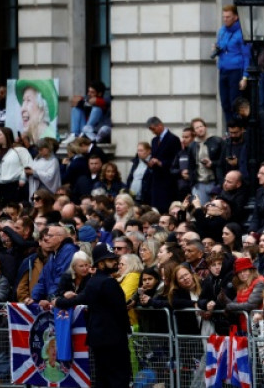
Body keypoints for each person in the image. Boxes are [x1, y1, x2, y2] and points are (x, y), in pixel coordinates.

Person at [56, 243, 132, 388]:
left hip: (98, 338)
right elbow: (120, 310)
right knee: (118, 378)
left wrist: (59, 301)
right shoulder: (108, 282)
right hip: (114, 339)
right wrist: (126, 330)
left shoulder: (93, 281)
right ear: (101, 263)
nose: (115, 262)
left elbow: (81, 299)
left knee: (102, 378)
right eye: (110, 260)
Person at [213, 4, 250, 127]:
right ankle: (230, 130)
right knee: (225, 103)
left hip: (236, 70)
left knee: (235, 103)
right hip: (223, 70)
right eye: (224, 17)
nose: (225, 19)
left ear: (235, 17)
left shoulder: (241, 32)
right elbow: (220, 46)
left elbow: (246, 56)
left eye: (228, 17)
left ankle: (238, 128)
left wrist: (245, 77)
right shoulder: (222, 31)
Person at [146, 117, 181, 212]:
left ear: (160, 125)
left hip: (168, 180)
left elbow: (176, 159)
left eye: (153, 129)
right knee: (155, 210)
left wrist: (161, 163)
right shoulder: (154, 140)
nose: (153, 132)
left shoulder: (173, 139)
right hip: (156, 180)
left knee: (167, 209)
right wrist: (151, 163)